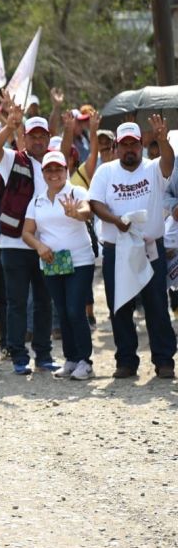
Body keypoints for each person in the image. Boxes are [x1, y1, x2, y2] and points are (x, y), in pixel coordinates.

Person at [88, 118, 176, 379]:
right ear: (115, 146)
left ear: (141, 145)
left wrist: (162, 140)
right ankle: (126, 360)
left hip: (151, 248)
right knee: (120, 305)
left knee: (157, 305)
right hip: (118, 248)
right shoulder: (106, 171)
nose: (129, 149)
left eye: (134, 145)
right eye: (124, 144)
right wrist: (116, 221)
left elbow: (169, 164)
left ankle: (164, 360)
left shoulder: (153, 168)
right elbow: (95, 202)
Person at [0, 104, 56, 375]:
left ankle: (44, 355)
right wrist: (9, 125)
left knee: (44, 301)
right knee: (16, 302)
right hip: (14, 244)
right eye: (33, 136)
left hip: (46, 245)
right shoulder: (14, 160)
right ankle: (18, 355)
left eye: (43, 136)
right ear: (25, 138)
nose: (38, 141)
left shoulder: (55, 164)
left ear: (49, 139)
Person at [21, 151, 95, 380]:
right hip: (52, 263)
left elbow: (87, 211)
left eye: (58, 169)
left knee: (75, 309)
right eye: (49, 170)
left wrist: (76, 212)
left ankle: (85, 361)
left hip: (80, 260)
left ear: (66, 170)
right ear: (43, 173)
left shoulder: (76, 190)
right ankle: (71, 359)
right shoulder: (37, 200)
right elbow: (26, 232)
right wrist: (39, 246)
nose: (54, 174)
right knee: (62, 311)